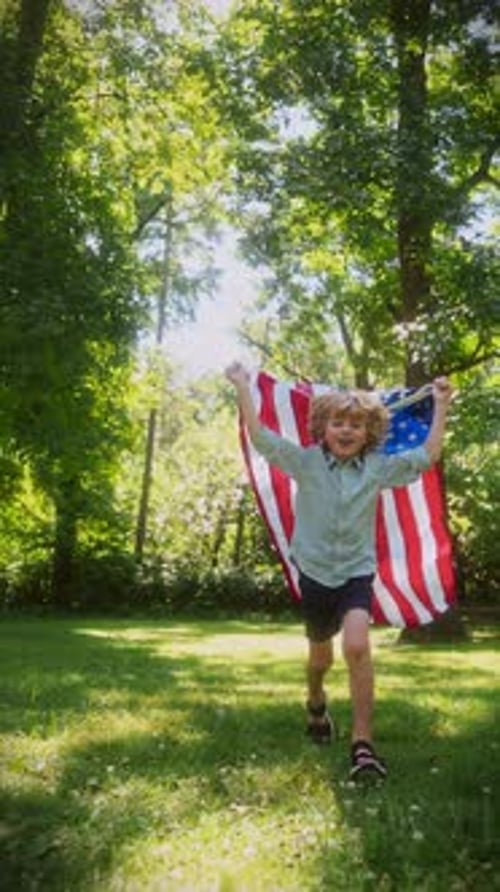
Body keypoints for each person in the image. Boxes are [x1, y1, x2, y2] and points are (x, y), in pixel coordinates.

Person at [225, 361, 454, 781]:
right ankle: (316, 702)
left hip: (355, 572)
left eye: (356, 424)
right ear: (322, 427)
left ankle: (362, 745)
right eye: (338, 422)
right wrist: (242, 386)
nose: (346, 430)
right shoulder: (306, 462)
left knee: (356, 646)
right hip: (313, 573)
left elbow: (427, 456)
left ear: (369, 433)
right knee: (320, 658)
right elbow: (260, 439)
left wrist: (440, 406)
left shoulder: (377, 468)